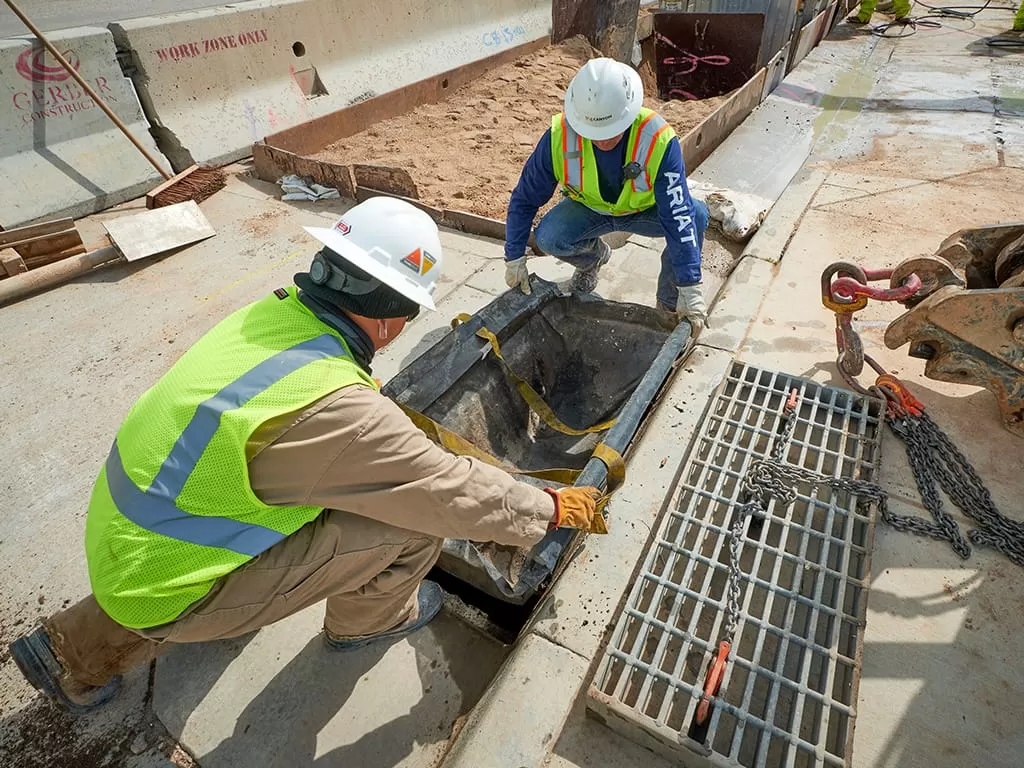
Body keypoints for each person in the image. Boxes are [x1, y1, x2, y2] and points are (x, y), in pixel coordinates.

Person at [9, 197, 601, 713]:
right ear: (393, 317)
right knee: (411, 526)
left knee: (330, 502)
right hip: (163, 582)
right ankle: (367, 624)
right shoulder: (334, 411)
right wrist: (547, 510)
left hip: (128, 540)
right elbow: (444, 490)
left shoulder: (272, 317)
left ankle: (68, 646)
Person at [502, 57, 710, 329]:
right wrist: (514, 256)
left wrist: (690, 285)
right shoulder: (559, 137)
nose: (602, 140)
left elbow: (677, 215)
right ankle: (593, 259)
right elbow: (524, 199)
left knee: (696, 216)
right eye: (594, 132)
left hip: (644, 212)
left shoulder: (658, 139)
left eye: (611, 131)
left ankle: (669, 304)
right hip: (590, 210)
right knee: (549, 237)